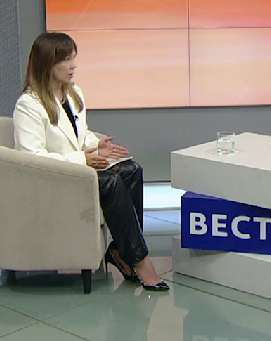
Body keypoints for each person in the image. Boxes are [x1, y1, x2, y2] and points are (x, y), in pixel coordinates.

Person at [13, 32, 168, 291]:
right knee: (110, 183)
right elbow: (32, 158)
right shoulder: (28, 105)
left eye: (73, 58)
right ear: (47, 64)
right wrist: (81, 159)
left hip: (76, 171)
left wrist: (96, 145)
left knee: (131, 170)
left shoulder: (73, 93)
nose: (73, 66)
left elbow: (78, 134)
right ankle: (140, 261)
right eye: (65, 60)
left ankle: (119, 251)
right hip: (51, 180)